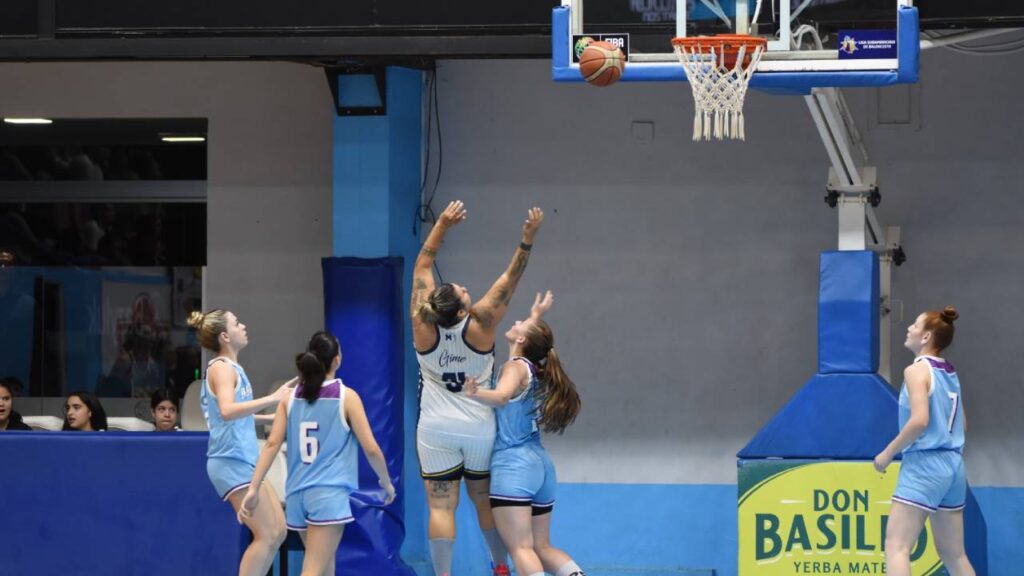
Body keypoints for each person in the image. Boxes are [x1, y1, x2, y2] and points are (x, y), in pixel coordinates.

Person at [411, 200, 544, 576]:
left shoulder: (422, 326)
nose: (466, 287)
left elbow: (422, 265)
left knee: (440, 507)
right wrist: (526, 240)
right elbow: (509, 280)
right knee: (484, 501)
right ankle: (500, 566)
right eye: (464, 290)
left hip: (434, 428)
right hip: (478, 428)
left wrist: (442, 226)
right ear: (462, 309)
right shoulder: (481, 324)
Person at [240, 331, 396, 576]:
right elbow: (371, 448)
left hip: (297, 495)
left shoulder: (289, 398)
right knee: (313, 570)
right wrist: (386, 482)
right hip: (327, 494)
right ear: (337, 359)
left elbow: (271, 445)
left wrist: (253, 487)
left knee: (325, 568)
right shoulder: (346, 397)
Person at [464, 291, 585, 576]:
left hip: (514, 467)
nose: (516, 320)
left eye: (521, 323)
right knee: (542, 547)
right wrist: (536, 316)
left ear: (521, 340)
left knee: (521, 549)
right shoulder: (531, 366)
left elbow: (503, 396)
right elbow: (531, 340)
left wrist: (475, 393)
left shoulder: (514, 368)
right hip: (540, 466)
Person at [187, 309, 294, 576]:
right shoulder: (222, 369)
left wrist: (269, 416)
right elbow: (226, 410)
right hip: (230, 462)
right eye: (237, 323)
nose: (243, 326)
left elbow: (234, 416)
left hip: (244, 460)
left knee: (279, 530)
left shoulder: (232, 367)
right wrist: (274, 398)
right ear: (225, 336)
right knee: (267, 535)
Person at [874, 306, 975, 576]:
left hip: (926, 464)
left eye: (915, 325)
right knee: (955, 555)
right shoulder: (950, 372)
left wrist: (887, 452)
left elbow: (920, 421)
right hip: (954, 465)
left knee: (897, 546)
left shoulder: (916, 371)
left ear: (927, 336)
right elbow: (962, 424)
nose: (908, 328)